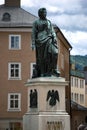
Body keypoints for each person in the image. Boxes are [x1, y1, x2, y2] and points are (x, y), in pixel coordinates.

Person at [32, 8, 60, 77]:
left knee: (55, 53)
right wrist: (33, 43)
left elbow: (52, 31)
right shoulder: (36, 22)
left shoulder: (49, 21)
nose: (45, 14)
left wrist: (54, 36)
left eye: (45, 12)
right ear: (40, 14)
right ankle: (42, 72)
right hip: (40, 41)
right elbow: (33, 32)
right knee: (42, 57)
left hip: (49, 39)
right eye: (44, 13)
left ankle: (54, 69)